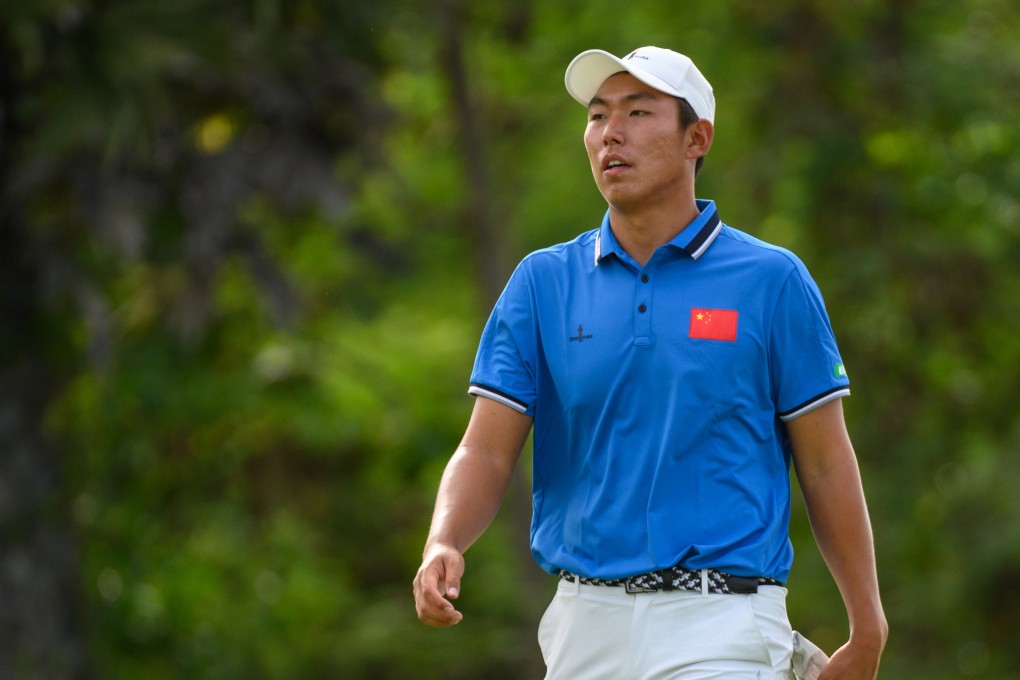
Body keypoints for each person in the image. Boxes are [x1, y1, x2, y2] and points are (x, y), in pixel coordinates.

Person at [413, 45, 887, 680]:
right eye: (597, 115)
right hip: (583, 625)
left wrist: (867, 624)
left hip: (722, 621)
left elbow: (826, 463)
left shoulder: (771, 281)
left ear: (698, 138)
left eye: (638, 112)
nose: (611, 132)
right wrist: (444, 539)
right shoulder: (542, 283)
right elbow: (487, 451)